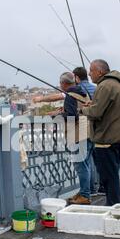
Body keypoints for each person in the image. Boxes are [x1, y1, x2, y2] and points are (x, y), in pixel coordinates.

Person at [33, 72, 92, 205]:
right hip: (89, 131)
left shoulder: (70, 95)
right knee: (86, 164)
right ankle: (85, 192)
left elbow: (72, 116)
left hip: (79, 133)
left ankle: (85, 195)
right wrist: (61, 111)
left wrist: (56, 117)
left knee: (80, 165)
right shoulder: (83, 92)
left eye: (60, 83)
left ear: (64, 84)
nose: (60, 85)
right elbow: (77, 110)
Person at [81, 59, 120, 206]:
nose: (89, 73)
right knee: (113, 174)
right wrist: (93, 103)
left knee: (109, 176)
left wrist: (82, 109)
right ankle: (114, 204)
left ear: (100, 71)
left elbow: (96, 113)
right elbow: (108, 107)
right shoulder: (117, 84)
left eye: (91, 70)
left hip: (107, 138)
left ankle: (113, 206)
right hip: (118, 137)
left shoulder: (104, 86)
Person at [73, 67, 103, 197]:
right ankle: (95, 188)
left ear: (76, 77)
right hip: (96, 129)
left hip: (83, 128)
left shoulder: (77, 90)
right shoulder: (96, 88)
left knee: (83, 162)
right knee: (92, 161)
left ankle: (86, 192)